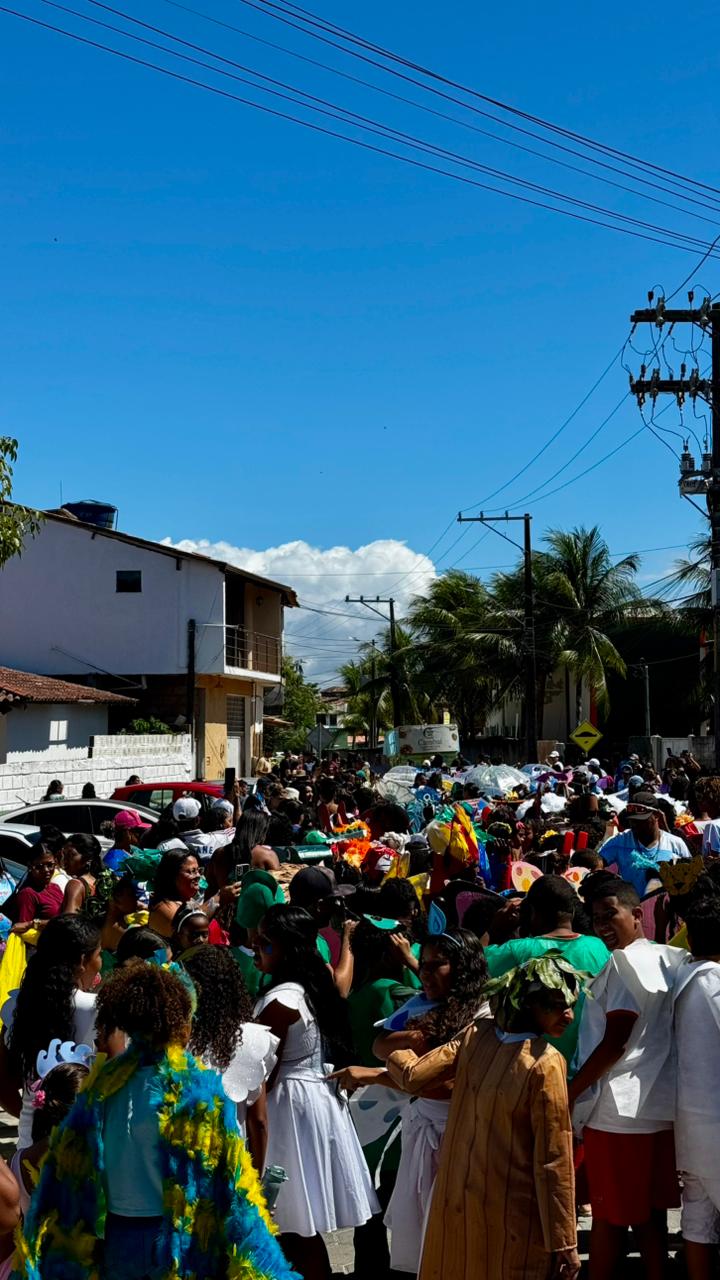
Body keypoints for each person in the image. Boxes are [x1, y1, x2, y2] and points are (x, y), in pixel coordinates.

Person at [14, 962, 296, 1280]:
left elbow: (68, 1170)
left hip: (118, 1238)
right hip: (180, 1240)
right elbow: (232, 1179)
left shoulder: (101, 1088)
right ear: (180, 1020)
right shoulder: (198, 1090)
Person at [371, 954, 581, 1280]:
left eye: (571, 1004)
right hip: (514, 1215)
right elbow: (553, 1159)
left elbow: (414, 1076)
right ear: (527, 1004)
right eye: (557, 1005)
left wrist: (386, 1045)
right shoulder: (545, 1062)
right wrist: (564, 1240)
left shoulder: (475, 1035)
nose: (569, 1015)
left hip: (458, 1200)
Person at [254, 904, 378, 1280]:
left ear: (286, 949)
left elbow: (263, 1075)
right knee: (297, 1227)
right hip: (313, 1101)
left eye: (264, 943)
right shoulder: (316, 985)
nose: (255, 948)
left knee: (291, 1225)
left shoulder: (281, 1003)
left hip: (287, 1110)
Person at [570, 878, 686, 1280]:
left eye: (610, 914)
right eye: (596, 917)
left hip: (618, 1112)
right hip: (659, 1108)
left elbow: (615, 1040)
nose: (602, 924)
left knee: (608, 1218)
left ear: (638, 915)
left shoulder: (621, 963)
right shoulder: (671, 958)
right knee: (650, 1214)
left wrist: (571, 1091)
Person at [485, 875, 610, 1070]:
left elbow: (475, 966)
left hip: (533, 1068)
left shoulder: (519, 950)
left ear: (533, 912)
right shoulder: (599, 947)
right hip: (586, 1070)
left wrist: (495, 928)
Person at [0, 916, 101, 1150]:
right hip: (83, 1146)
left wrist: (33, 1113)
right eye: (98, 955)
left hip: (28, 1148)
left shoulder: (17, 1006)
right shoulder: (98, 1009)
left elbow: (3, 1084)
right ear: (82, 961)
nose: (100, 963)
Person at [184, 944, 279, 1171]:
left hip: (182, 1154)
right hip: (229, 1160)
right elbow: (258, 1121)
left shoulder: (177, 1037)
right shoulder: (252, 1039)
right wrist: (256, 1182)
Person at [672, 896, 720, 1280]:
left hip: (688, 1123)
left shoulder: (680, 980)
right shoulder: (714, 986)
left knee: (698, 1219)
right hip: (716, 1122)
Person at [599, 791, 689, 896]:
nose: (635, 825)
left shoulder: (675, 844)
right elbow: (596, 862)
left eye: (641, 821)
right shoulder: (620, 842)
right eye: (632, 820)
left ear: (656, 815)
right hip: (633, 909)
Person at [9, 846, 63, 930]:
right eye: (39, 866)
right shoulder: (28, 893)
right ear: (30, 867)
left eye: (50, 865)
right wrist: (34, 924)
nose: (46, 870)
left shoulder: (55, 887)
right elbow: (23, 929)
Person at [60, 833, 109, 917]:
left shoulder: (75, 885)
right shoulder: (103, 882)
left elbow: (69, 922)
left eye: (71, 855)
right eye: (64, 855)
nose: (65, 860)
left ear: (88, 858)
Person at [104, 810, 153, 874]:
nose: (140, 834)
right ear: (126, 833)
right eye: (138, 831)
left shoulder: (131, 851)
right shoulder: (114, 860)